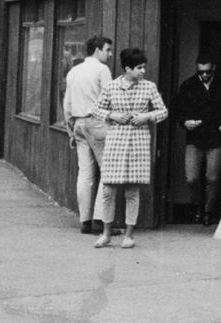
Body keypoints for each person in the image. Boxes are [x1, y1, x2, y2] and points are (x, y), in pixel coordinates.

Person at [92, 48, 168, 250]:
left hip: (138, 143)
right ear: (127, 68)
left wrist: (147, 116)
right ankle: (106, 233)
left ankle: (129, 235)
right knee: (108, 190)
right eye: (139, 68)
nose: (143, 71)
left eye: (144, 67)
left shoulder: (149, 87)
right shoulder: (111, 87)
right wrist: (112, 115)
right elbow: (96, 109)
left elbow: (163, 111)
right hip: (116, 141)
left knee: (132, 191)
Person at [174, 56, 221, 225]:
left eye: (207, 71)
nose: (204, 75)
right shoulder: (187, 85)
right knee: (192, 178)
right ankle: (197, 206)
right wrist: (185, 122)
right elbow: (179, 111)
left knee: (213, 178)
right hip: (195, 139)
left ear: (214, 68)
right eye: (200, 72)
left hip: (216, 139)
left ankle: (208, 212)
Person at [63, 35, 116, 235]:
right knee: (108, 172)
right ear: (97, 50)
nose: (110, 54)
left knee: (85, 173)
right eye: (107, 50)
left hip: (78, 122)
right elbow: (110, 99)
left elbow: (67, 103)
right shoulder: (102, 70)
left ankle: (84, 220)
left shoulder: (74, 71)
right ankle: (100, 220)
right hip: (98, 122)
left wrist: (71, 129)